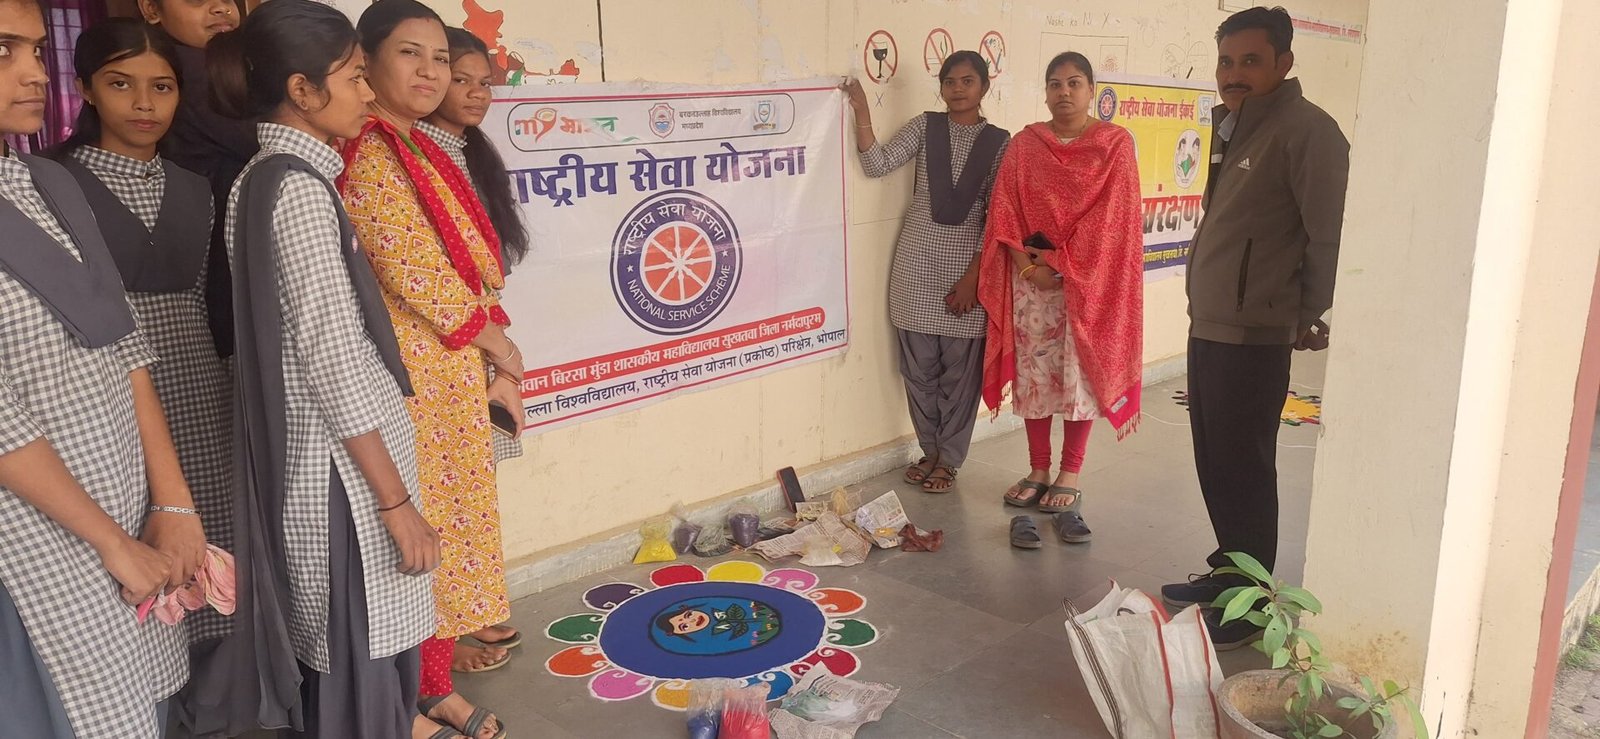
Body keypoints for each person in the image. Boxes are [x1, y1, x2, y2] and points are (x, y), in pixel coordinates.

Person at [193, 2, 443, 736]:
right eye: (355, 76)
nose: (367, 92)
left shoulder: (266, 179)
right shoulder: (298, 189)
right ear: (302, 91)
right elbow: (332, 358)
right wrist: (395, 502)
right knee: (361, 672)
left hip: (323, 464)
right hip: (344, 479)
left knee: (345, 662)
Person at [0, 1, 203, 735]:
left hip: (121, 505)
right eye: (2, 51)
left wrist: (172, 505)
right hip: (32, 538)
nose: (34, 72)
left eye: (34, 50)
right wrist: (112, 542)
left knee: (139, 702)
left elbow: (125, 346)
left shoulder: (45, 183)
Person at [342, 2, 518, 736]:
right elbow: (414, 270)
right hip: (413, 371)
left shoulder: (413, 144)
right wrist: (498, 345)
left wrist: (492, 348)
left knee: (453, 530)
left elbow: (471, 264)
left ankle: (433, 686)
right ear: (367, 64)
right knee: (425, 534)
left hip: (449, 367)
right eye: (410, 54)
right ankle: (412, 694)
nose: (431, 72)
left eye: (439, 58)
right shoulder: (370, 150)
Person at [1157, 6, 1349, 649]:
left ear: (1284, 63)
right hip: (1213, 321)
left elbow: (1329, 235)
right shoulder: (1236, 125)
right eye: (1226, 61)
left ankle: (1254, 605)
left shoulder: (1308, 132)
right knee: (1214, 458)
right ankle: (1230, 574)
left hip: (1256, 330)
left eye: (1250, 61)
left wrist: (1305, 312)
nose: (1234, 73)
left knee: (1244, 465)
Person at [49, 17, 236, 658]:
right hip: (107, 395)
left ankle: (221, 699)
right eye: (120, 83)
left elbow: (208, 297)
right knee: (134, 557)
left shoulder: (197, 188)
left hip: (199, 388)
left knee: (212, 553)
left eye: (162, 86)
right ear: (85, 89)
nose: (144, 103)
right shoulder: (50, 182)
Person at [978, 52, 1144, 549]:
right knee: (1036, 375)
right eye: (1055, 84)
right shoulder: (1025, 145)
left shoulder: (1115, 144)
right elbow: (1004, 210)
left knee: (1077, 377)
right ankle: (1037, 468)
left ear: (1092, 90)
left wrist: (1064, 264)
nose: (1064, 92)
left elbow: (1114, 218)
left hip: (1089, 283)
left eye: (1074, 83)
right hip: (1032, 278)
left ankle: (1070, 472)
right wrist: (1029, 267)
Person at [843, 50, 1010, 494]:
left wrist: (974, 278)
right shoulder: (925, 127)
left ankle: (949, 460)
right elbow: (876, 163)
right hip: (915, 266)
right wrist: (862, 110)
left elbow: (999, 217)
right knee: (919, 372)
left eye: (967, 81)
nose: (957, 89)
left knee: (958, 376)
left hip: (966, 274)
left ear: (984, 86)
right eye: (950, 81)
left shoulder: (1000, 143)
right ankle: (930, 451)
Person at [415, 23, 527, 655]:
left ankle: (469, 606)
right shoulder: (407, 153)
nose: (475, 93)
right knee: (442, 492)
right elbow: (425, 273)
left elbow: (485, 262)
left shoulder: (469, 150)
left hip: (477, 333)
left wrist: (499, 350)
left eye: (485, 83)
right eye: (461, 79)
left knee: (472, 488)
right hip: (439, 340)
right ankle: (443, 629)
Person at [138, 0, 253, 360]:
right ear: (151, 9)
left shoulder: (216, 61)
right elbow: (268, 139)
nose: (220, 7)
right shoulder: (186, 68)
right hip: (215, 235)